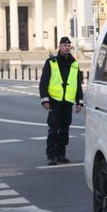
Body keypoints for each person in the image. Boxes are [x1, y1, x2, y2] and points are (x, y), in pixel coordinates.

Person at [39, 36, 84, 165]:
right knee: (54, 129)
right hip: (54, 100)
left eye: (68, 45)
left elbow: (77, 84)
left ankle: (61, 154)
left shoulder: (74, 64)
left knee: (64, 129)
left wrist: (79, 101)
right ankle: (51, 155)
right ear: (59, 46)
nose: (67, 47)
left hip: (67, 102)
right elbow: (44, 82)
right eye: (64, 45)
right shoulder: (51, 62)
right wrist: (45, 100)